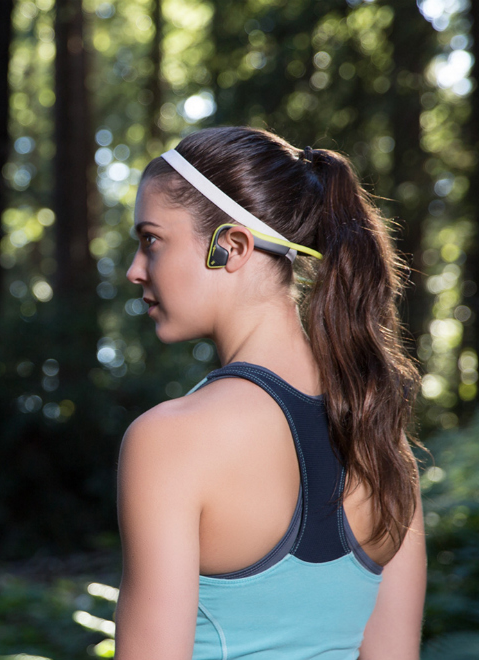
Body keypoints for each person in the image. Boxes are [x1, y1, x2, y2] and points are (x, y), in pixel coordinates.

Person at [115, 126, 426, 659]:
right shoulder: (381, 443)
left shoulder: (170, 439)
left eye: (151, 240)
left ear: (230, 246)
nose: (134, 270)